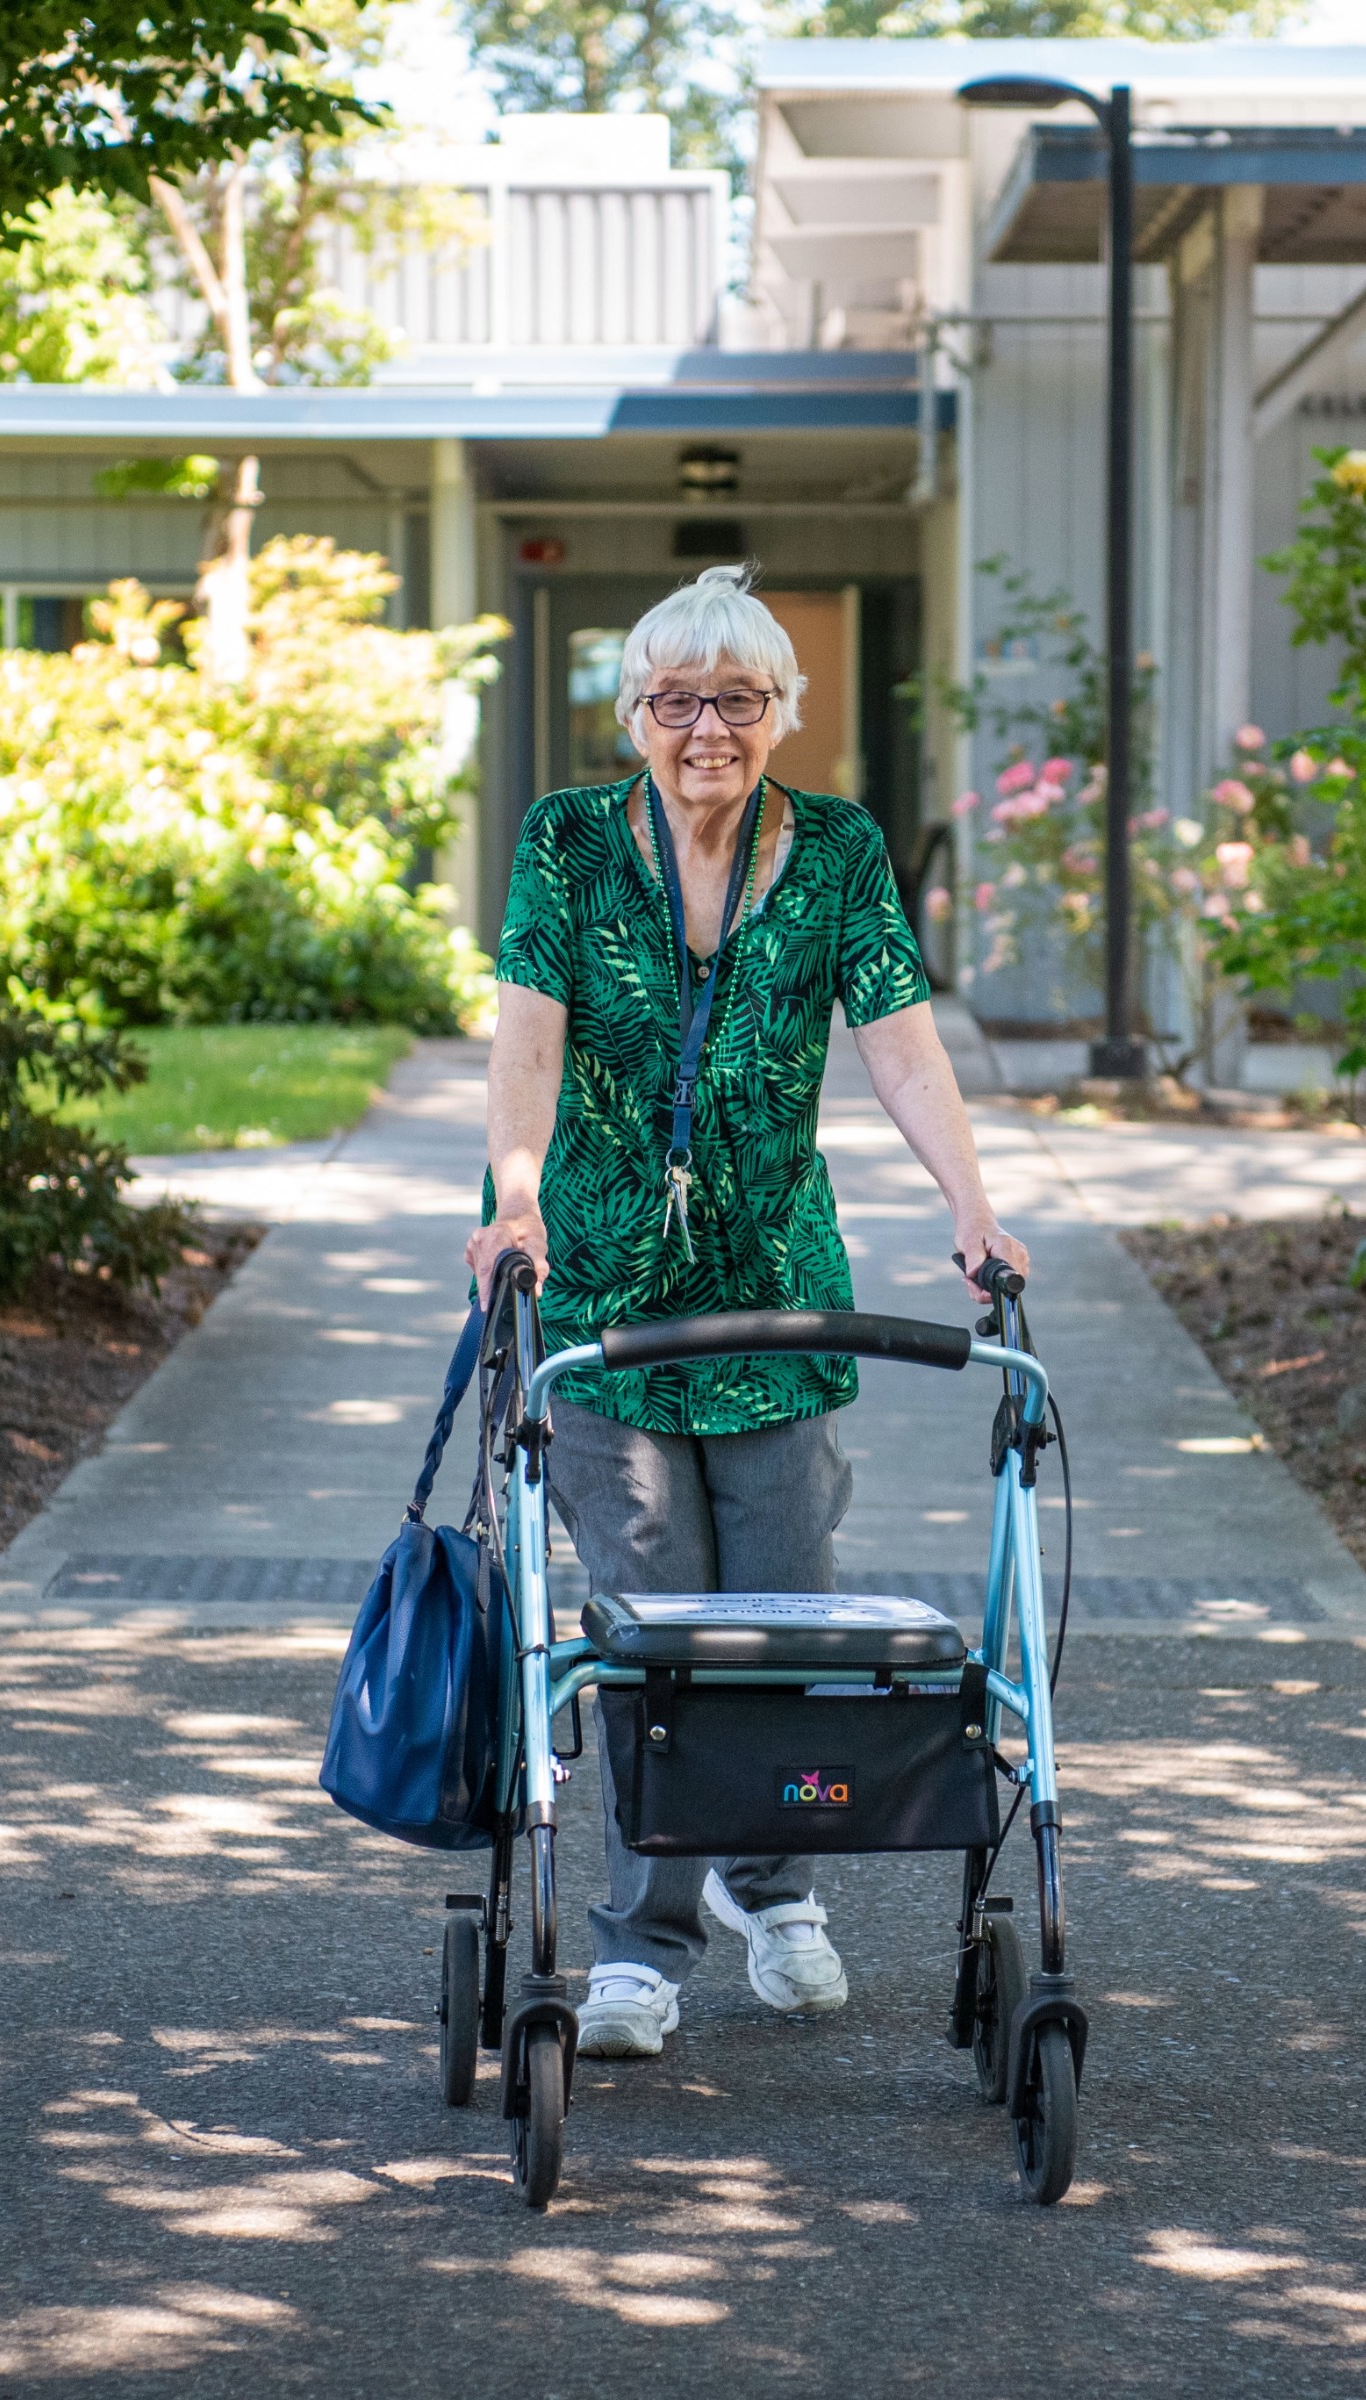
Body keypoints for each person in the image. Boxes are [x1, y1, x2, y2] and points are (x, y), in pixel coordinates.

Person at [462, 561, 1030, 2060]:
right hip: (593, 1280)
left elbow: (903, 1047)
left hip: (775, 1287)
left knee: (780, 1607)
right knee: (653, 1617)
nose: (704, 727)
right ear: (633, 712)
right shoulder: (570, 844)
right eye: (673, 700)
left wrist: (969, 1206)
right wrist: (512, 1197)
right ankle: (641, 1948)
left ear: (783, 711)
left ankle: (772, 1890)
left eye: (736, 699)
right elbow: (527, 1038)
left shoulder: (835, 852)